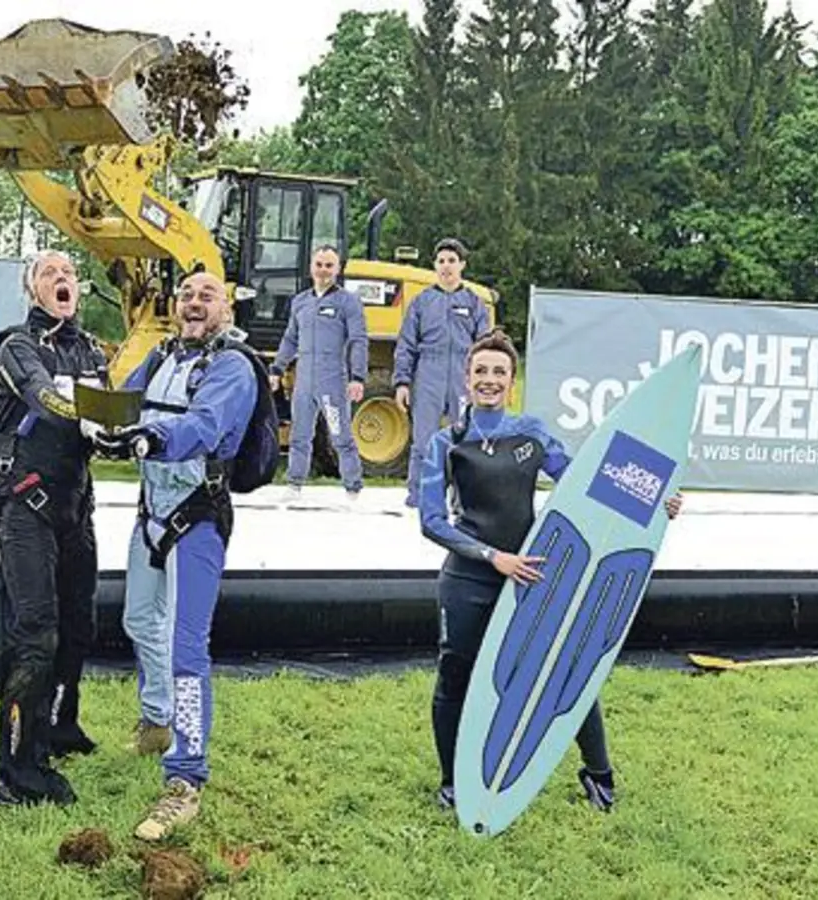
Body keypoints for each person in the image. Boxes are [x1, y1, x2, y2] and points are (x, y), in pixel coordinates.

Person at [417, 329, 683, 813]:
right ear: (467, 378)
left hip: (535, 575)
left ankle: (599, 774)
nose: (489, 380)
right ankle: (454, 781)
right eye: (481, 371)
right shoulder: (445, 442)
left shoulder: (533, 432)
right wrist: (493, 558)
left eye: (499, 372)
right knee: (455, 677)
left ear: (511, 381)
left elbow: (590, 483)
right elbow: (431, 521)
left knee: (564, 664)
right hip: (469, 580)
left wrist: (657, 502)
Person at [90, 269, 259, 841]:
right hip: (151, 515)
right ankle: (157, 721)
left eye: (206, 295)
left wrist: (150, 438)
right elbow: (121, 400)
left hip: (198, 519)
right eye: (186, 294)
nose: (193, 302)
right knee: (138, 620)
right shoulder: (161, 355)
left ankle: (184, 780)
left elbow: (206, 425)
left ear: (226, 308)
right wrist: (92, 419)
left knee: (188, 649)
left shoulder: (232, 367)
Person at [0, 249, 108, 806]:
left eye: (71, 274)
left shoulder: (91, 348)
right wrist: (88, 415)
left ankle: (58, 726)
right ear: (32, 289)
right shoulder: (17, 346)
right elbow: (43, 396)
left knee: (79, 622)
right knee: (34, 633)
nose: (64, 280)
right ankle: (17, 769)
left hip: (76, 504)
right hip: (24, 506)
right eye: (51, 274)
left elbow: (114, 408)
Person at [393, 238, 489, 508]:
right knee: (424, 441)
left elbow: (484, 347)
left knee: (465, 442)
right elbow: (407, 345)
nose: (446, 266)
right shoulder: (422, 302)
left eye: (452, 261)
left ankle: (463, 500)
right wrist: (402, 382)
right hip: (428, 374)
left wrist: (480, 383)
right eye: (441, 261)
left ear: (462, 265)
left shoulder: (473, 302)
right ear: (435, 266)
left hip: (463, 377)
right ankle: (420, 496)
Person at [269, 245, 367, 501]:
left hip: (332, 379)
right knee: (300, 434)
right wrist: (277, 368)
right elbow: (290, 339)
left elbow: (358, 340)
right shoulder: (300, 302)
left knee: (340, 435)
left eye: (329, 265)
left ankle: (352, 487)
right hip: (304, 379)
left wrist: (358, 377)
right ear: (311, 267)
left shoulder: (348, 302)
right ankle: (294, 484)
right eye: (319, 264)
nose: (323, 270)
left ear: (338, 269)